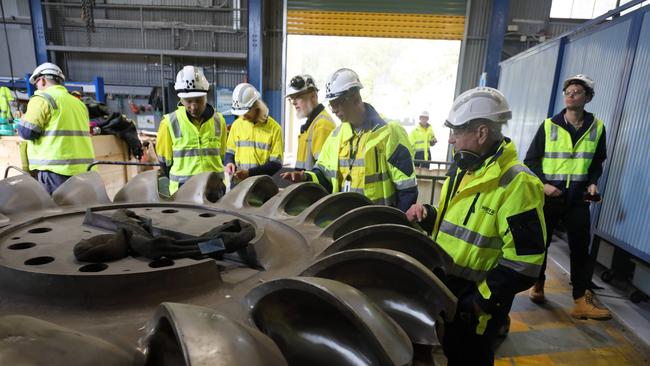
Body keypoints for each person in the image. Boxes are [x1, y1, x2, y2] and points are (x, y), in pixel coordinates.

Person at [406, 87, 546, 365]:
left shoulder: (518, 184)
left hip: (475, 308)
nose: (450, 139)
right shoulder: (463, 170)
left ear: (482, 133)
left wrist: (478, 303)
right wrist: (429, 215)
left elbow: (525, 263)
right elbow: (458, 223)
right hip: (448, 293)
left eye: (456, 132)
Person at [524, 74, 610, 319]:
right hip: (550, 195)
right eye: (568, 91)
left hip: (578, 198)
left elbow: (597, 162)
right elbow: (530, 161)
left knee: (580, 247)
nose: (571, 95)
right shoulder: (549, 125)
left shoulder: (598, 127)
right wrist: (544, 185)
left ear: (588, 98)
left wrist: (593, 183)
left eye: (577, 92)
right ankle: (537, 283)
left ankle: (580, 299)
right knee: (541, 244)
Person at [282, 68, 417, 212]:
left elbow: (407, 189)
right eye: (331, 104)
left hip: (378, 224)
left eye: (336, 103)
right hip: (344, 221)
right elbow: (323, 175)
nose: (333, 110)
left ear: (355, 99)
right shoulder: (336, 136)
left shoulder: (389, 132)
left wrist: (396, 225)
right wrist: (305, 177)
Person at [15, 62, 95, 194]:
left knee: (59, 212)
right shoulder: (78, 103)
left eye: (36, 83)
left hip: (56, 171)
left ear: (42, 80)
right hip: (84, 170)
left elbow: (27, 132)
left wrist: (23, 119)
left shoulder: (42, 98)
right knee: (80, 210)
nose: (37, 87)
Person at [155, 65, 227, 195]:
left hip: (214, 189)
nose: (193, 107)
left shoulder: (219, 121)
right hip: (182, 192)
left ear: (206, 97)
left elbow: (221, 156)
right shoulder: (169, 123)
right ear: (181, 99)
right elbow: (165, 162)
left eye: (199, 101)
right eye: (188, 101)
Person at [224, 83, 283, 184]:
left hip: (262, 186)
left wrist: (250, 173)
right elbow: (230, 152)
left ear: (256, 106)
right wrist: (229, 163)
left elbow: (276, 164)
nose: (244, 116)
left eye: (246, 112)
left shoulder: (274, 129)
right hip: (238, 183)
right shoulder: (237, 125)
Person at [286, 74, 336, 170]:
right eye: (292, 98)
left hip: (313, 185)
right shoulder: (311, 125)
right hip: (306, 184)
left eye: (298, 97)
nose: (294, 102)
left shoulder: (322, 124)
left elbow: (323, 170)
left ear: (313, 96)